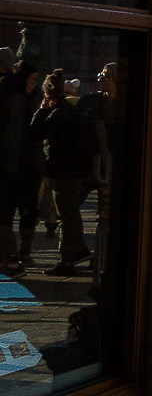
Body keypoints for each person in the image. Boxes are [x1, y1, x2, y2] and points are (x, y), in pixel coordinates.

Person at [35, 70, 102, 276]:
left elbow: (36, 131)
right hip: (76, 170)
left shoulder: (59, 112)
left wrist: (42, 109)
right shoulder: (74, 108)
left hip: (64, 171)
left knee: (67, 213)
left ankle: (77, 252)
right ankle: (72, 255)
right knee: (68, 213)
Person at [0, 58, 41, 267]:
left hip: (27, 162)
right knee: (7, 207)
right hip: (12, 160)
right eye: (32, 79)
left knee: (27, 208)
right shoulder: (10, 93)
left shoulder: (35, 96)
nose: (34, 83)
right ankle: (11, 253)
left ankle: (22, 251)